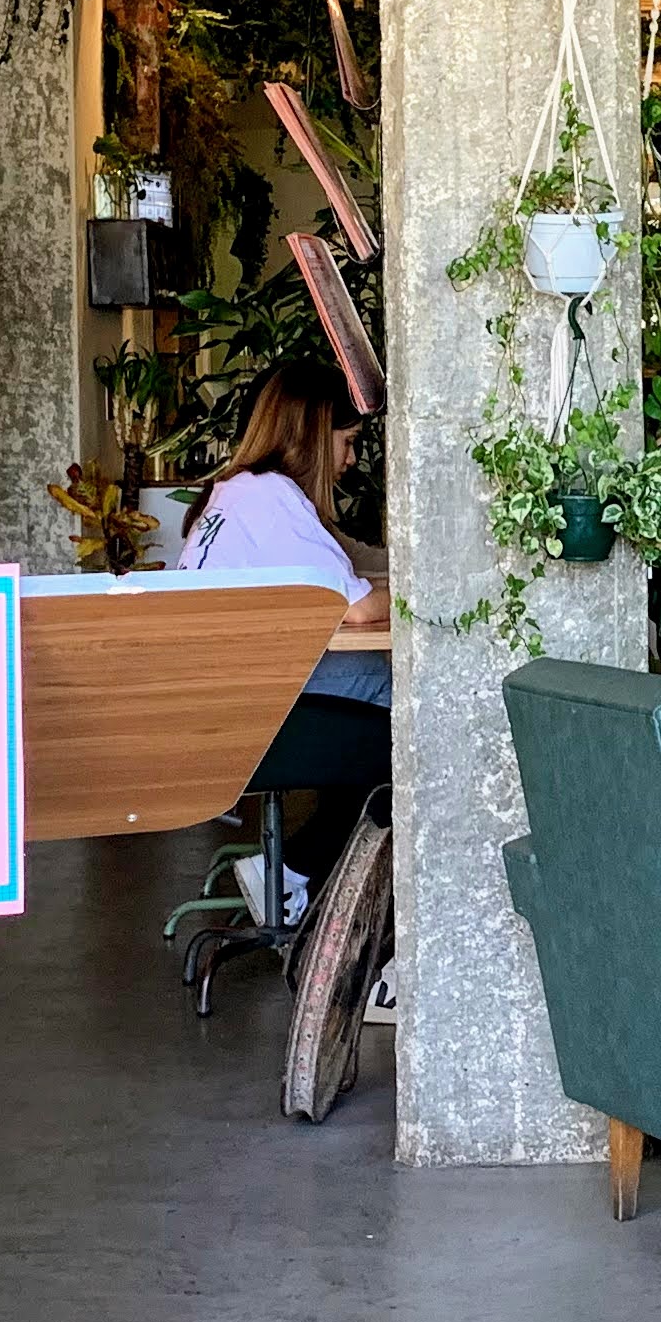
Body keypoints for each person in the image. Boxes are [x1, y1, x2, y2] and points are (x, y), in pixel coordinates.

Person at [177, 359, 392, 914]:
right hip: (248, 724)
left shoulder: (235, 492)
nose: (351, 459)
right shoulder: (272, 497)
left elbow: (346, 572)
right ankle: (302, 873)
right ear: (316, 435)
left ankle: (298, 875)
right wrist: (433, 596)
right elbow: (359, 608)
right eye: (347, 442)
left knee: (374, 699)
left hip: (218, 713)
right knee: (407, 732)